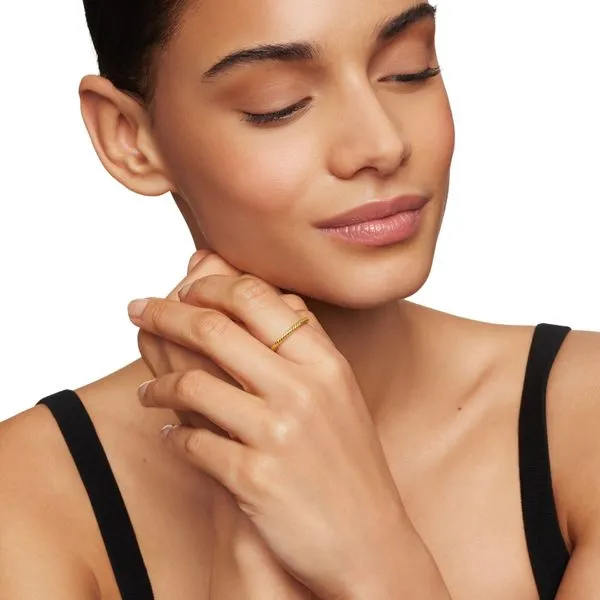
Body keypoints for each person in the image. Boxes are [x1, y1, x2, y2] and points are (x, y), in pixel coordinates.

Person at [1, 0, 599, 598]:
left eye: (408, 70)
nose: (382, 144)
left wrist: (374, 555)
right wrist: (248, 542)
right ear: (129, 137)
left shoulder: (584, 416)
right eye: (278, 103)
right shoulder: (26, 497)